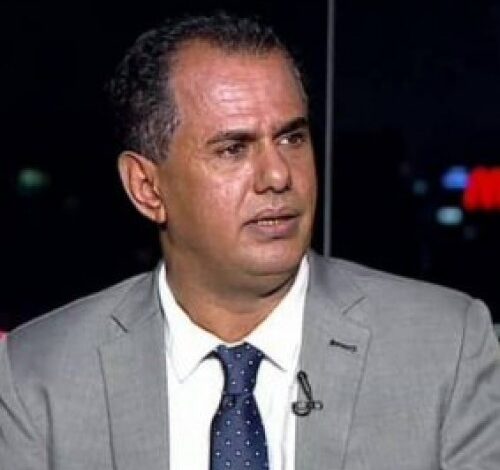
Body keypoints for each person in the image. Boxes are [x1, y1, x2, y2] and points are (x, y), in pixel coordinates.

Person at [1, 12, 499, 470]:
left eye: (292, 138)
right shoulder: (36, 377)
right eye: (233, 149)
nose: (278, 175)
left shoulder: (446, 347)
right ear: (147, 187)